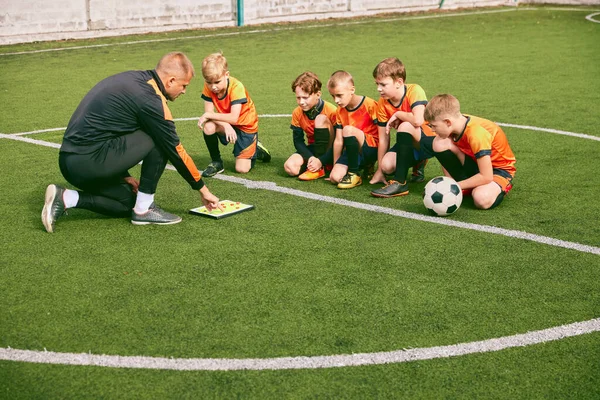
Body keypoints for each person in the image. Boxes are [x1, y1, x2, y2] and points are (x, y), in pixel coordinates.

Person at [41, 52, 222, 233]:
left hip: (72, 163)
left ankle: (66, 198)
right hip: (87, 163)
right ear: (171, 81)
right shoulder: (150, 100)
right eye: (184, 86)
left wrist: (123, 176)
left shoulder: (133, 79)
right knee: (160, 139)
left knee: (126, 203)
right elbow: (176, 150)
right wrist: (203, 190)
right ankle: (145, 209)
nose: (184, 91)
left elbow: (110, 132)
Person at [422, 94, 516, 209]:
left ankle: (499, 187)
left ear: (447, 122)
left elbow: (486, 176)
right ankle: (462, 186)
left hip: (497, 171)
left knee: (481, 199)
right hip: (474, 161)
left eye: (434, 126)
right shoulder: (457, 121)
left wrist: (453, 186)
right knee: (439, 142)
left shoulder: (477, 134)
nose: (432, 130)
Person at [197, 52, 271, 177]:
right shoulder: (208, 86)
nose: (213, 87)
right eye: (209, 82)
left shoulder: (237, 87)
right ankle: (216, 162)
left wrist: (212, 117)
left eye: (217, 82)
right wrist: (225, 125)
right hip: (229, 122)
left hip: (246, 126)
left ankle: (256, 149)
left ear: (226, 75)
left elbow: (233, 117)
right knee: (209, 127)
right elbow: (210, 113)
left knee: (241, 169)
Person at [370, 57, 435, 198]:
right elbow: (383, 138)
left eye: (383, 84)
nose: (378, 89)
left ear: (399, 82)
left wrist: (399, 113)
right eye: (377, 84)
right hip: (407, 144)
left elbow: (418, 120)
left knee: (405, 125)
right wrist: (380, 170)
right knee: (387, 166)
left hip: (430, 141)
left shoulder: (414, 90)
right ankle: (419, 162)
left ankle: (400, 182)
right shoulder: (382, 103)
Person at [325, 70, 379, 189]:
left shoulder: (370, 105)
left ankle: (354, 173)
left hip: (372, 148)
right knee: (335, 178)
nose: (336, 100)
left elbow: (384, 135)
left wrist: (381, 168)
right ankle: (362, 169)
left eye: (339, 95)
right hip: (352, 150)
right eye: (333, 96)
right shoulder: (339, 111)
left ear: (352, 90)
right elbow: (339, 141)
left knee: (348, 130)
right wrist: (335, 166)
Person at [283, 71, 337, 180]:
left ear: (318, 94)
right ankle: (315, 166)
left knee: (320, 119)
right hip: (314, 149)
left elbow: (339, 142)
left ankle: (322, 165)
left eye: (305, 97)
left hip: (333, 151)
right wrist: (311, 157)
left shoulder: (331, 110)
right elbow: (298, 141)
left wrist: (321, 160)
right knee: (290, 167)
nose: (301, 102)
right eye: (298, 98)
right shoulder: (297, 112)